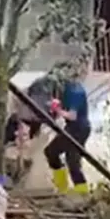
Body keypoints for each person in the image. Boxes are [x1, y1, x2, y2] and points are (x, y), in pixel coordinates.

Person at [44, 59, 92, 195]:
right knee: (69, 158)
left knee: (64, 156)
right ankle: (74, 189)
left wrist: (57, 109)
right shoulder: (66, 89)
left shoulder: (74, 91)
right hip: (73, 128)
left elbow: (72, 116)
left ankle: (72, 189)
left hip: (78, 129)